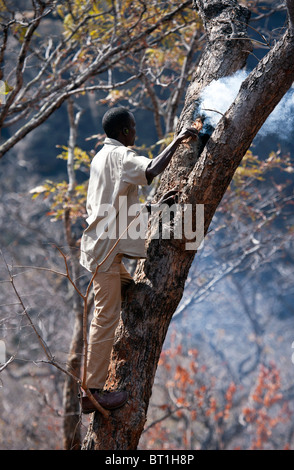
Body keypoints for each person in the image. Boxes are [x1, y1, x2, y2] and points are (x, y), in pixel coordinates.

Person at [79, 107, 198, 413]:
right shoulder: (120, 156)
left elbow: (115, 209)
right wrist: (178, 141)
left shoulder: (100, 158)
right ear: (124, 132)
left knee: (132, 294)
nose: (135, 133)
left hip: (101, 248)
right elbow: (151, 170)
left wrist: (156, 207)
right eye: (132, 128)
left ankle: (97, 385)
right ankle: (92, 393)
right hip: (105, 252)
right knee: (105, 318)